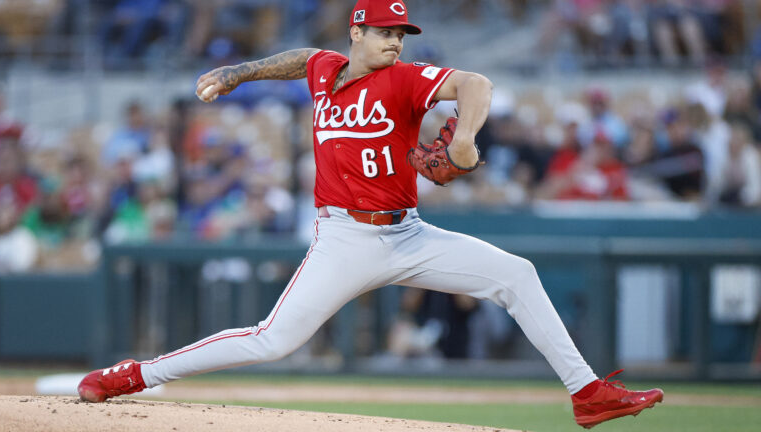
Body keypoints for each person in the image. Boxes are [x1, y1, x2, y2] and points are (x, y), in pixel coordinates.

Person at [77, 1, 663, 428]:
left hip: (409, 233)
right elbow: (302, 56)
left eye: (401, 33)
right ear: (357, 31)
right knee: (272, 341)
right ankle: (138, 374)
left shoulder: (403, 81)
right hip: (344, 240)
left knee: (518, 274)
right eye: (385, 31)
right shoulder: (326, 73)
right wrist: (239, 72)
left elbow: (475, 84)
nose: (395, 42)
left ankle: (587, 393)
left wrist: (464, 142)